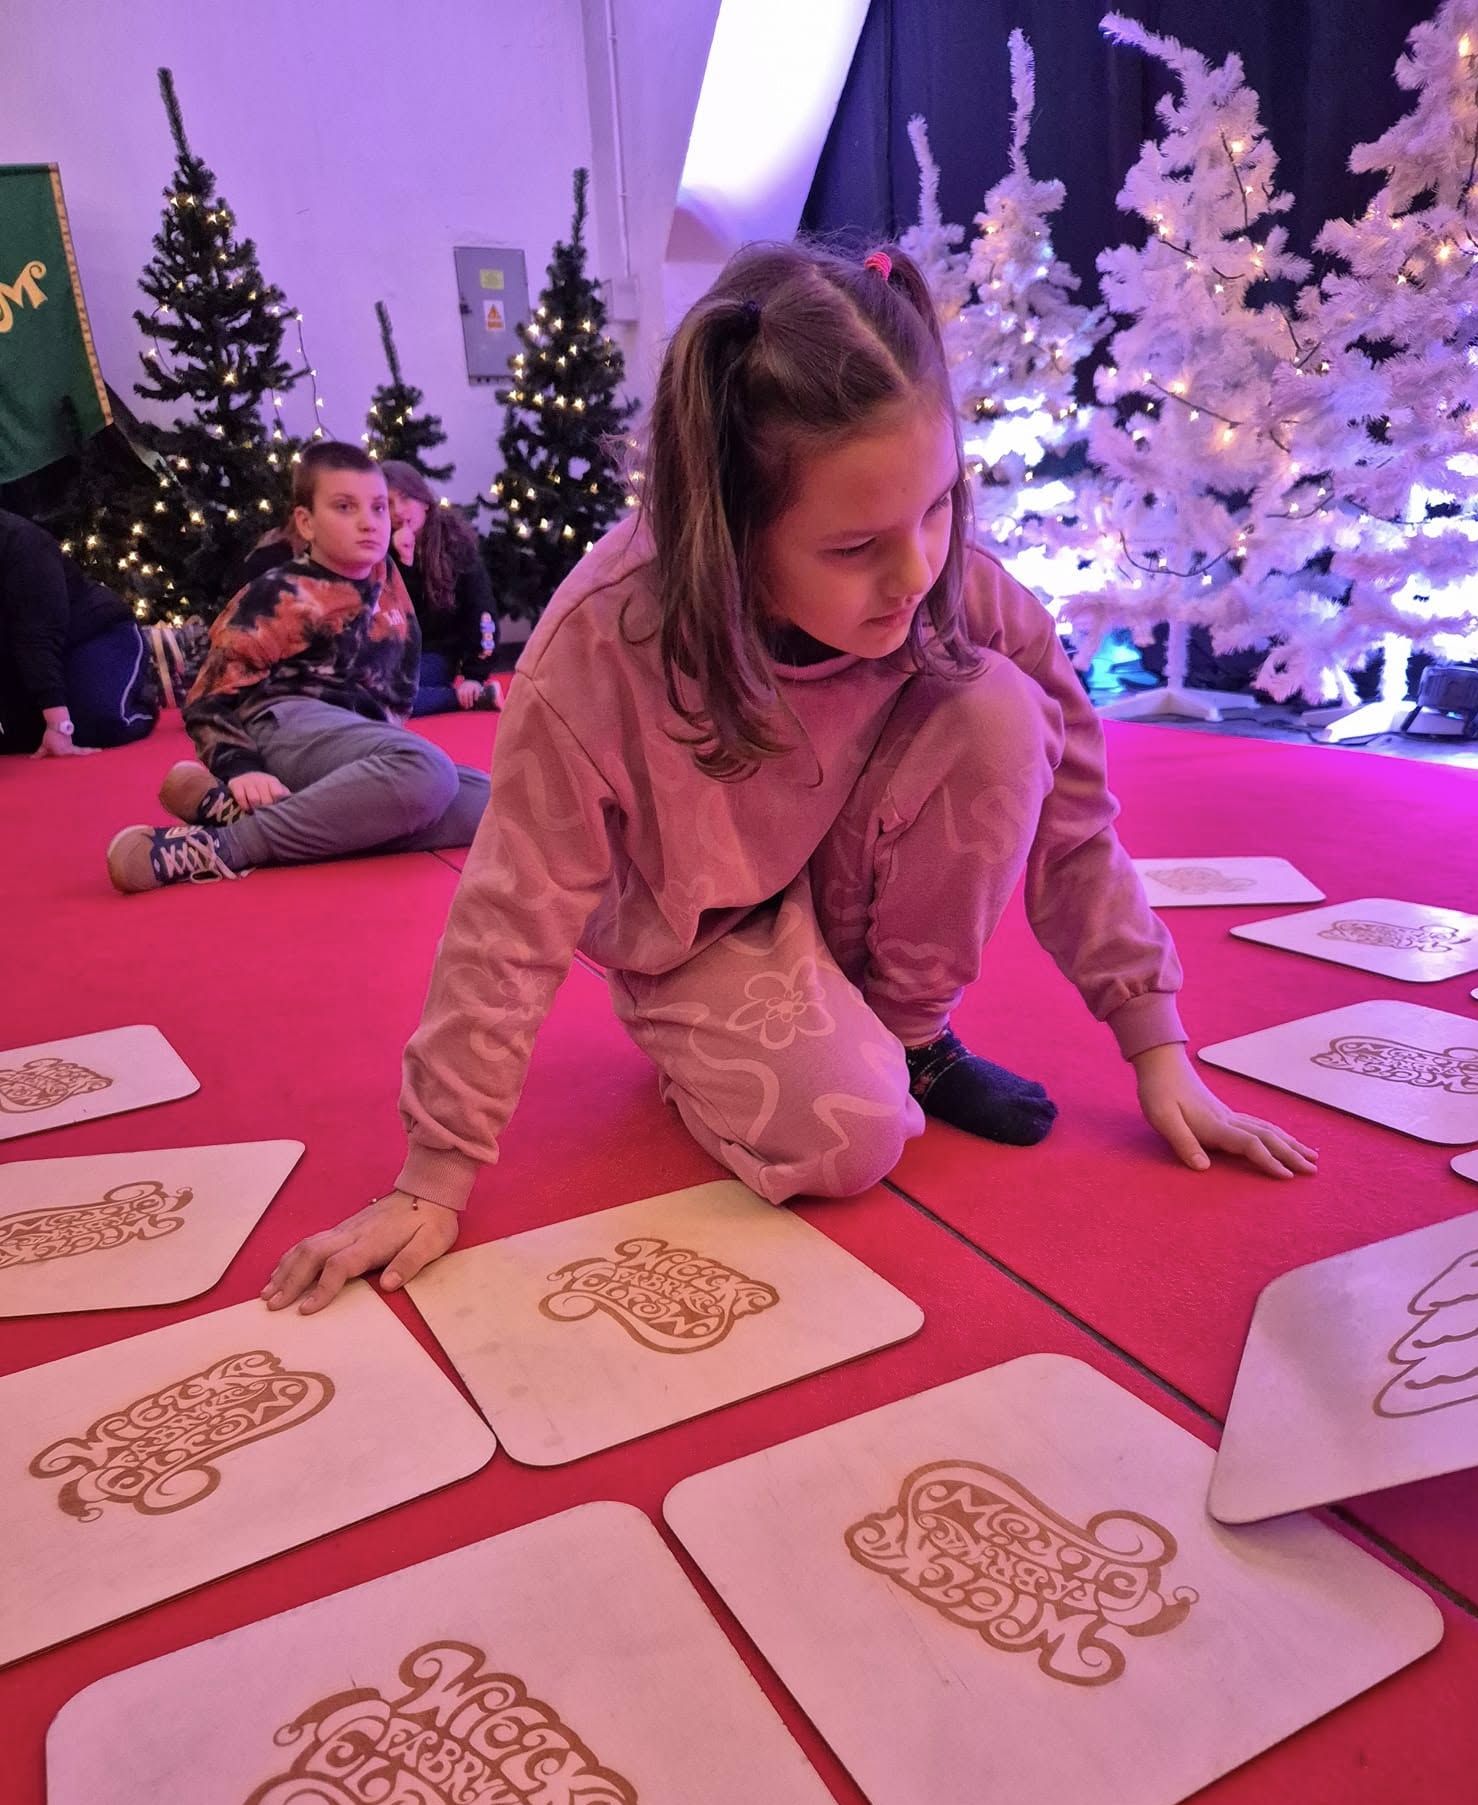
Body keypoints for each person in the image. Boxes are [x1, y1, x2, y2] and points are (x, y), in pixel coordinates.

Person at [265, 242, 1316, 1314]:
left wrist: (1157, 1043)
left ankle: (908, 1037)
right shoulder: (600, 646)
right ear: (729, 530)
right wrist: (435, 1173)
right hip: (702, 931)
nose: (916, 573)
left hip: (850, 872)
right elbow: (512, 910)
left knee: (1002, 706)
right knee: (850, 1140)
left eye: (938, 506)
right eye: (854, 546)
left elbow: (1076, 821)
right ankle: (725, 1042)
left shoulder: (957, 588)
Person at [105, 442, 490, 892]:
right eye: (345, 507)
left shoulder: (385, 577)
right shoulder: (279, 593)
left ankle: (238, 812)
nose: (369, 522)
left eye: (379, 508)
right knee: (427, 772)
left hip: (351, 742)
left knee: (487, 804)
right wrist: (240, 766)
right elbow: (209, 695)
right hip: (282, 727)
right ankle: (224, 845)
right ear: (306, 523)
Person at [0, 508, 160, 755]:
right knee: (18, 737)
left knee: (96, 725)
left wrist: (58, 724)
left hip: (95, 634)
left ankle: (143, 692)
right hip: (21, 659)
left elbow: (37, 634)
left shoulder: (22, 542)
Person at [381, 462, 503, 715]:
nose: (398, 510)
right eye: (388, 503)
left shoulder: (455, 545)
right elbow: (390, 614)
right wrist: (404, 563)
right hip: (390, 653)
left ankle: (465, 697)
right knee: (364, 692)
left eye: (405, 498)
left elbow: (480, 609)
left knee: (387, 696)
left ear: (424, 501)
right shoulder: (379, 548)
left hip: (436, 653)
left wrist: (475, 675)